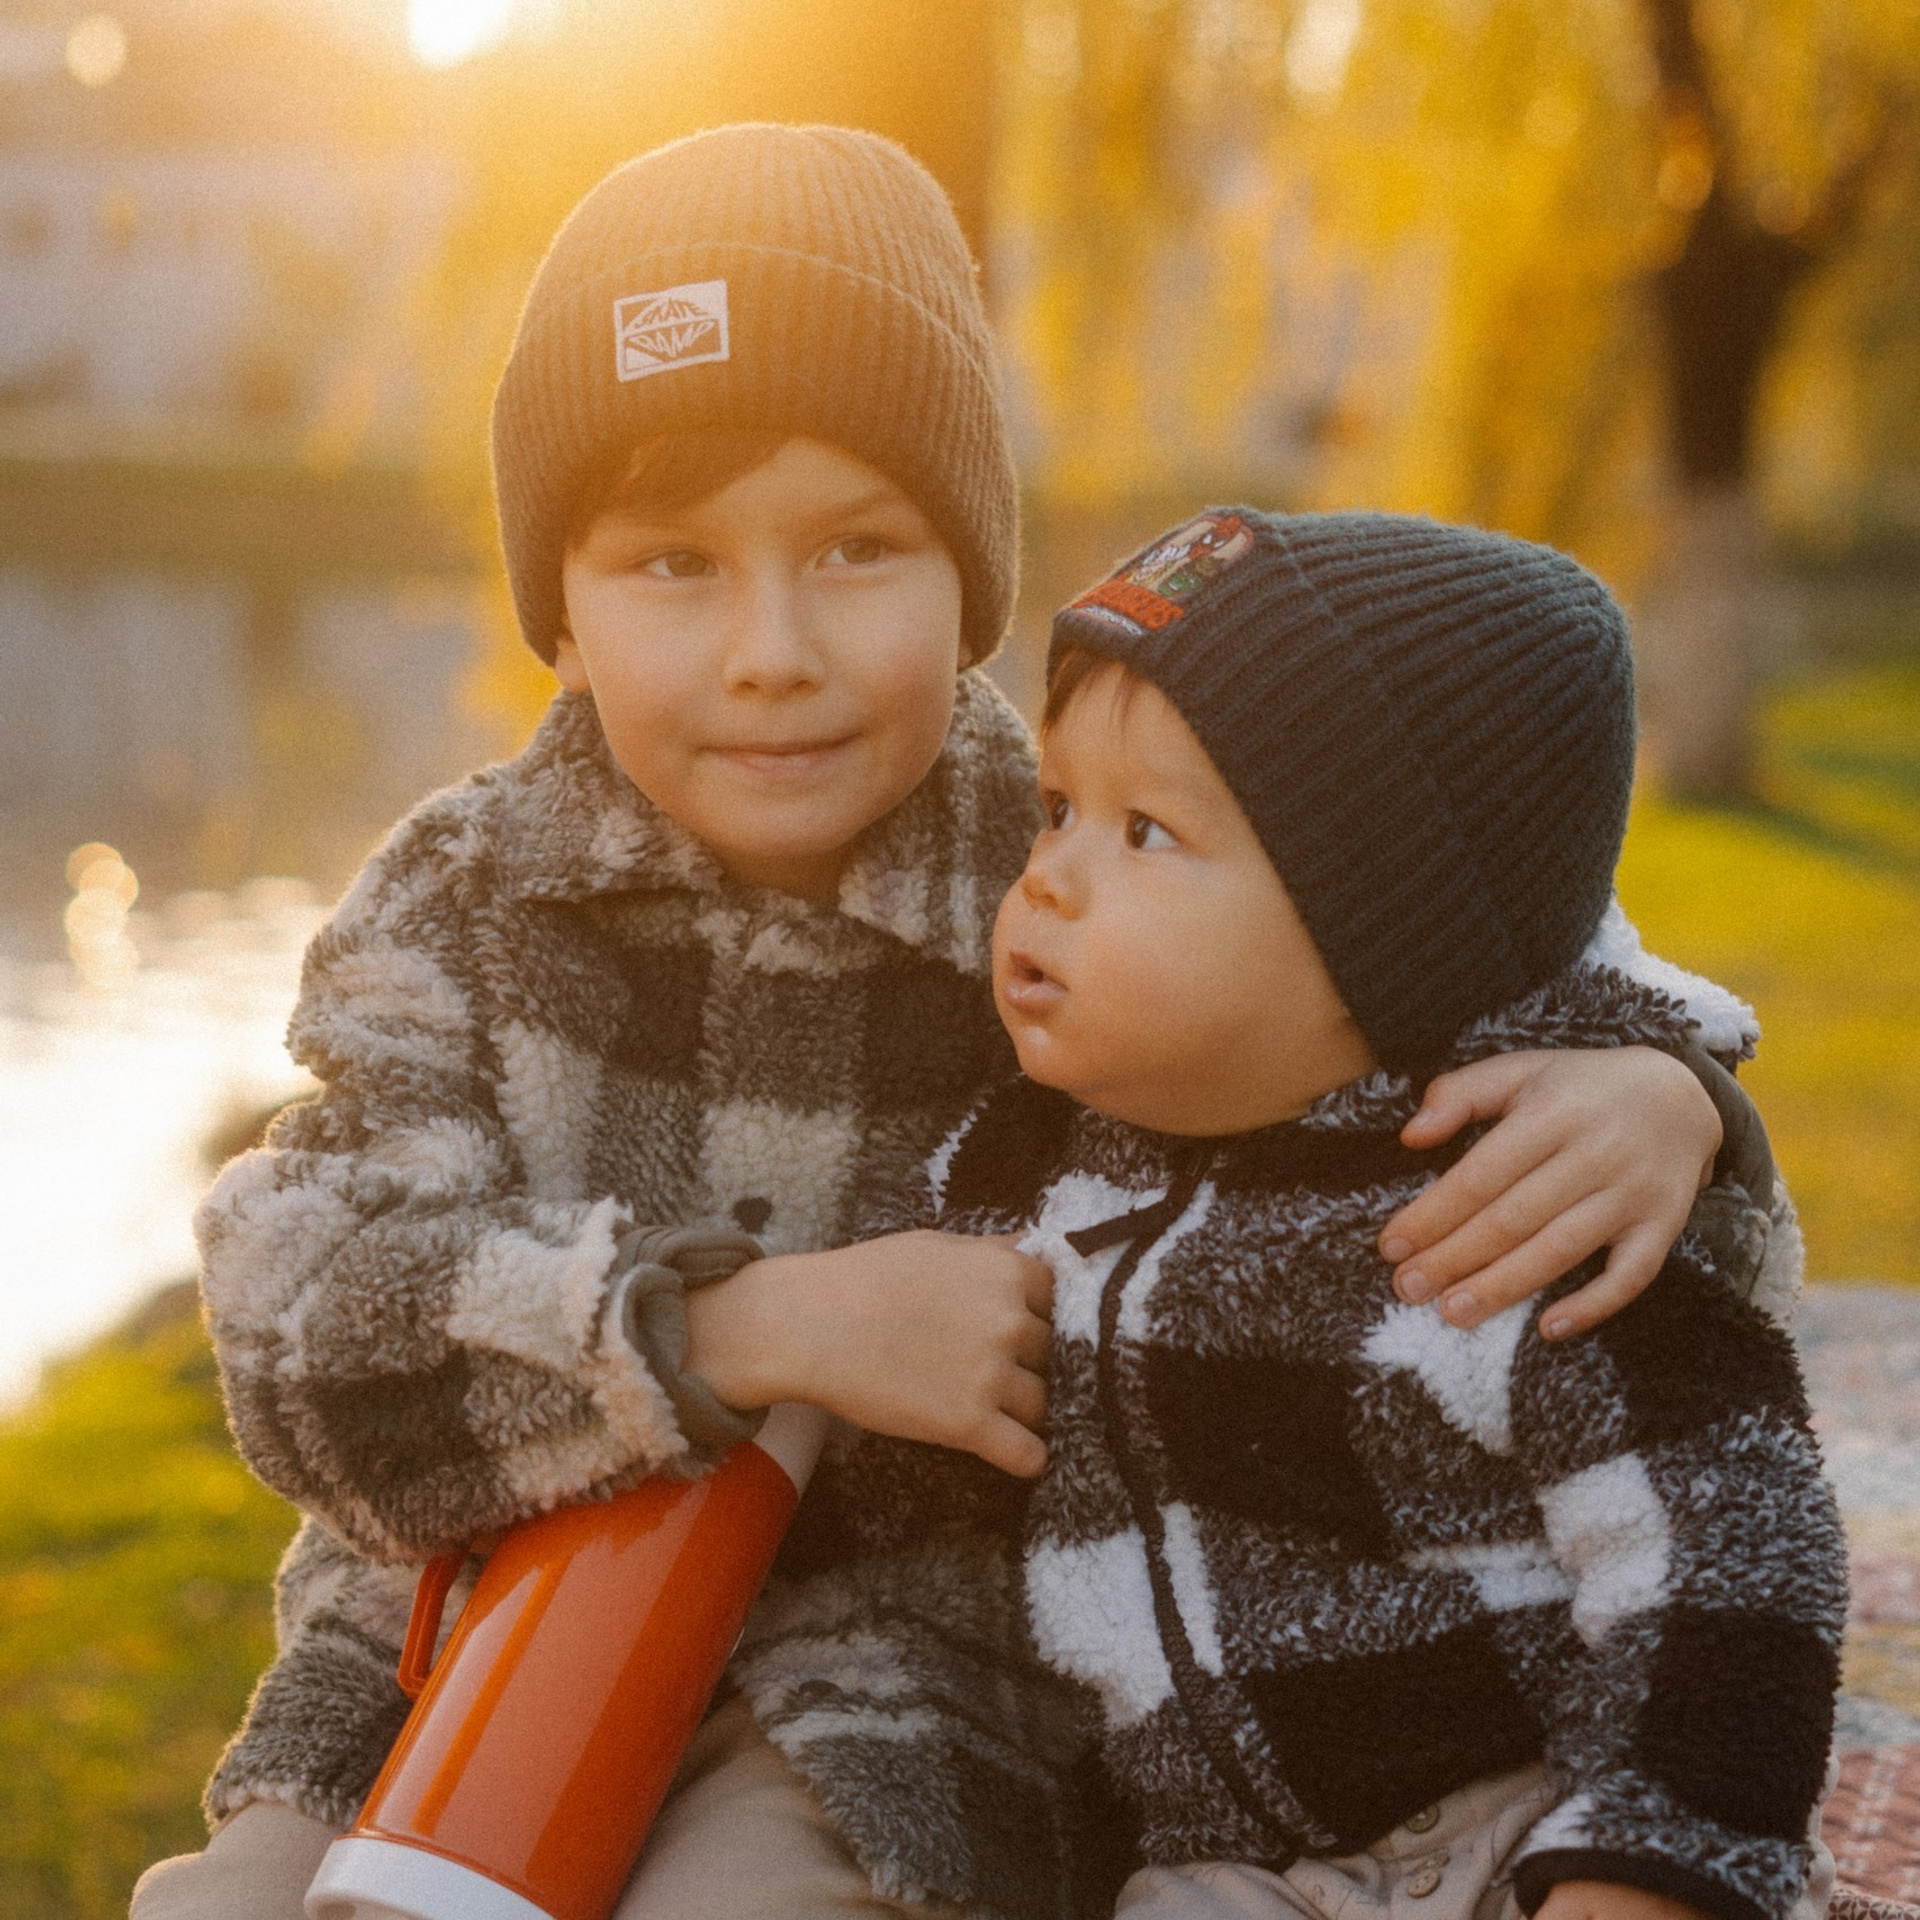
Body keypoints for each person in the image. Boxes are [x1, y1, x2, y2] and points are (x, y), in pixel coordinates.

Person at [133, 129, 1767, 1920]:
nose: (773, 649)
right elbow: (304, 1322)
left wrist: (1659, 1076)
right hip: (459, 1643)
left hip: (896, 1693)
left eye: (857, 548)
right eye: (673, 565)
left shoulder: (1069, 856)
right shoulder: (461, 898)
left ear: (969, 571)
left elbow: (1449, 920)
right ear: (566, 617)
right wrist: (747, 1326)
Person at [880, 508, 1841, 1920]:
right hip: (1216, 1870)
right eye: (1059, 806)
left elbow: (1727, 1559)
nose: (1050, 878)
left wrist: (1649, 1868)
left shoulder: (1511, 1188)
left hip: (1530, 1830)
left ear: (1379, 937)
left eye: (1147, 830)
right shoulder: (1022, 1173)